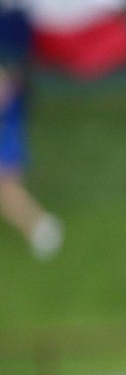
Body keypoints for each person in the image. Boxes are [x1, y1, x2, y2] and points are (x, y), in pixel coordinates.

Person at [0, 64, 63, 259]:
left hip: (5, 140)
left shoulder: (9, 86)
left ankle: (42, 228)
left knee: (6, 188)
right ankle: (40, 228)